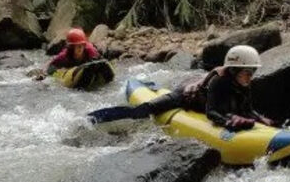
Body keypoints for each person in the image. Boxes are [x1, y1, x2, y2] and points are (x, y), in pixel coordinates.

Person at [89, 45, 275, 131]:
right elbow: (212, 114)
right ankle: (94, 117)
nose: (251, 75)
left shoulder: (244, 83)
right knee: (145, 110)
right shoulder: (219, 81)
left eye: (252, 71)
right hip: (184, 95)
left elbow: (248, 110)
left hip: (199, 92)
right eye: (247, 71)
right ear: (234, 70)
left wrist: (260, 119)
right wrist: (228, 122)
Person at [35, 28, 101, 80]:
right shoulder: (64, 55)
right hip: (69, 66)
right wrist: (43, 74)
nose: (81, 48)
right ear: (72, 47)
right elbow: (50, 63)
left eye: (82, 45)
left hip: (85, 64)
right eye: (78, 46)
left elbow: (101, 60)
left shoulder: (90, 50)